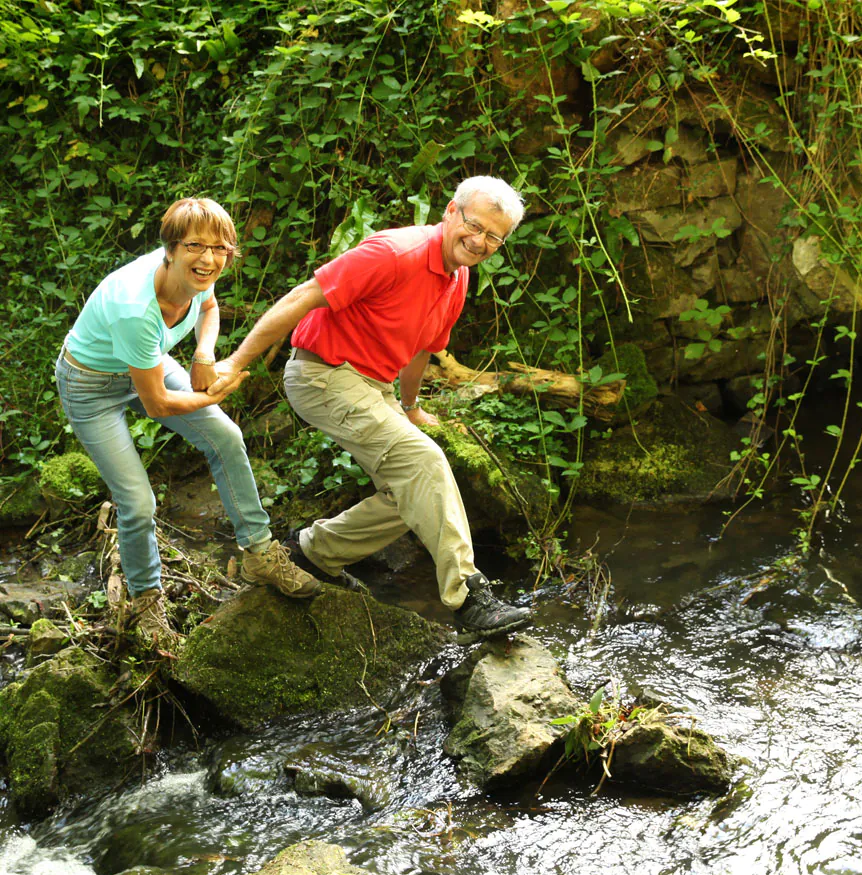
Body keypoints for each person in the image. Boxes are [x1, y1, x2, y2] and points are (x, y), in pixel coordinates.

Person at [209, 176, 531, 641]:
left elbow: (422, 349)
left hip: (372, 385)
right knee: (423, 462)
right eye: (474, 226)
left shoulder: (458, 278)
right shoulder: (393, 253)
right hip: (322, 374)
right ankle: (469, 598)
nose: (480, 241)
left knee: (413, 492)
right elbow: (303, 297)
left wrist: (411, 406)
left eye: (494, 237)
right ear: (450, 212)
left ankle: (313, 553)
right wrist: (234, 362)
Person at [55, 198, 319, 645]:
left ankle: (259, 554)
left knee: (226, 436)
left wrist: (203, 355)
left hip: (146, 363)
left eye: (221, 249)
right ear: (171, 250)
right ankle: (145, 601)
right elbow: (157, 404)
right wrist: (208, 393)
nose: (210, 258)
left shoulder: (199, 276)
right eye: (196, 246)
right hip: (90, 386)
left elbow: (210, 308)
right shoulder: (135, 308)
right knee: (138, 503)